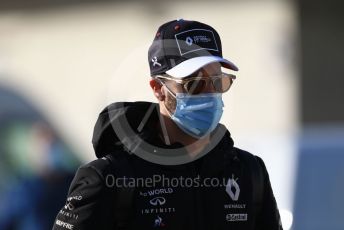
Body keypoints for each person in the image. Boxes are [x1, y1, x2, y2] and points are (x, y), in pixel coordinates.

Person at [52, 19, 283, 230]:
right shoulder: (109, 177)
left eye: (218, 81)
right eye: (194, 84)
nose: (210, 94)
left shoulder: (249, 171)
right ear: (157, 88)